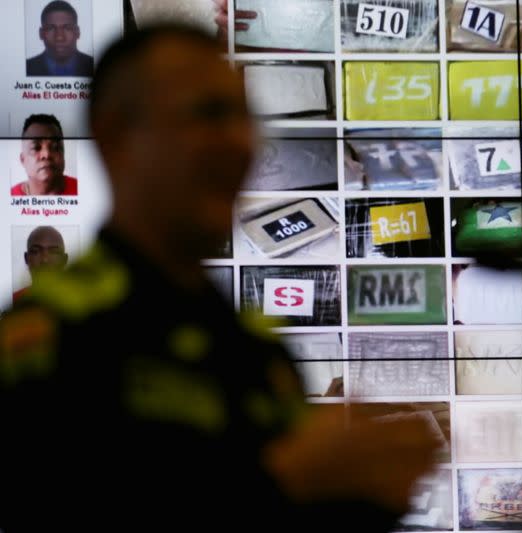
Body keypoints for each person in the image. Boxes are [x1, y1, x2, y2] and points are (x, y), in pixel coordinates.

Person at [0, 25, 438, 529]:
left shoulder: (255, 347)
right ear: (117, 134)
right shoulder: (50, 337)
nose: (237, 142)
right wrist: (286, 479)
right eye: (207, 114)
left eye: (242, 117)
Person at [11, 114, 78, 196]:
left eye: (55, 147)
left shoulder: (82, 189)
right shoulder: (8, 197)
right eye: (36, 148)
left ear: (63, 154)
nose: (46, 154)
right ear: (23, 159)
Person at [26, 1, 94, 77]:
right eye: (51, 28)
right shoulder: (27, 68)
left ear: (77, 32)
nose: (59, 37)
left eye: (67, 28)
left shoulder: (95, 66)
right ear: (41, 33)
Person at [12, 226, 69, 304]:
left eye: (53, 252)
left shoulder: (84, 305)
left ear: (64, 260)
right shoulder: (14, 301)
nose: (44, 260)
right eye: (36, 251)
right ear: (26, 258)